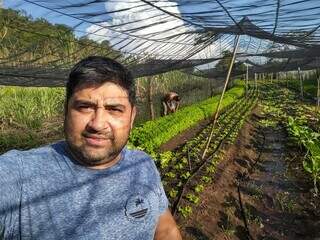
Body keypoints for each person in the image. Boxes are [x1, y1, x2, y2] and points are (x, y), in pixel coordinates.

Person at [0, 56, 182, 240]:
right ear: (66, 110)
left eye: (114, 109)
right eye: (84, 107)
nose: (98, 124)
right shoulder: (20, 174)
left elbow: (166, 230)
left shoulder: (143, 164)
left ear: (132, 117)